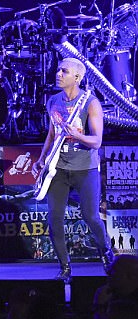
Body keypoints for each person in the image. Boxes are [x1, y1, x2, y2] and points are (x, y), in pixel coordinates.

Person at [31, 57, 115, 281]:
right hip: (58, 168)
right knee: (54, 221)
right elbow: (51, 134)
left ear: (77, 77)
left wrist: (77, 135)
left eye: (64, 71)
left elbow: (96, 141)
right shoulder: (53, 101)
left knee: (91, 217)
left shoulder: (90, 102)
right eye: (58, 70)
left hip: (85, 168)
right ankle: (65, 268)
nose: (58, 74)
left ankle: (105, 251)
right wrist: (41, 159)